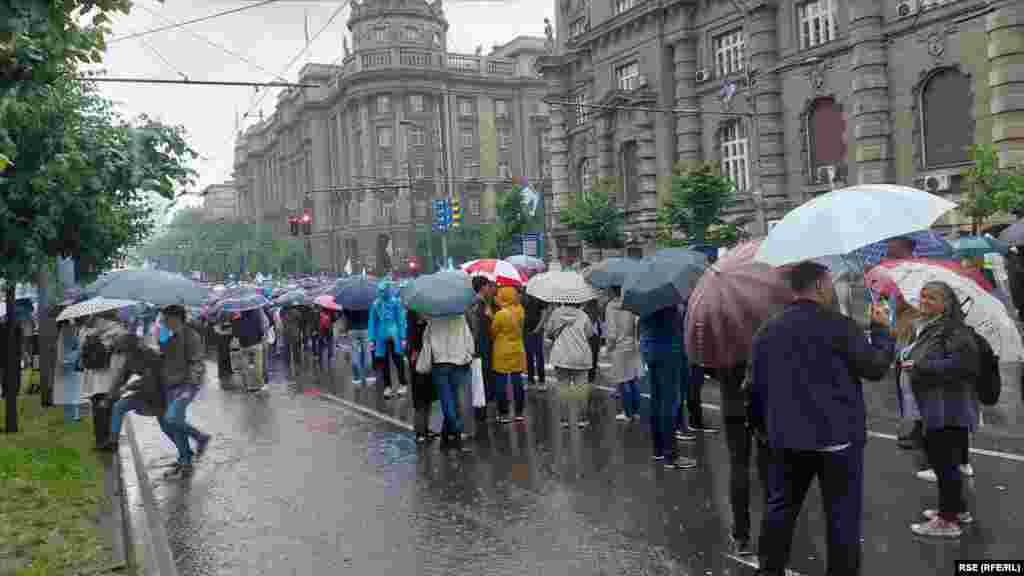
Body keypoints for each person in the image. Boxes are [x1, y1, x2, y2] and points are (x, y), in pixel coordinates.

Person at [749, 261, 894, 576]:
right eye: (828, 283)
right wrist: (882, 331)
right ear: (818, 285)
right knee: (841, 517)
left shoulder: (768, 330)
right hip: (837, 439)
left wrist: (764, 431)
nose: (830, 288)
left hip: (786, 438)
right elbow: (875, 367)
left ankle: (769, 570)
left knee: (781, 508)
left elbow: (755, 389)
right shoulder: (840, 326)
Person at [901, 281, 980, 538]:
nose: (924, 301)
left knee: (944, 463)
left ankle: (948, 521)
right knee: (946, 462)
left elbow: (964, 365)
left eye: (932, 298)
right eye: (922, 295)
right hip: (937, 405)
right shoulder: (935, 325)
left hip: (947, 408)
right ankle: (957, 509)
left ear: (947, 303)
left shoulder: (955, 330)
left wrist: (921, 366)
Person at [639, 304, 695, 470]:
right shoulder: (668, 302)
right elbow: (676, 327)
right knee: (668, 402)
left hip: (650, 349)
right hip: (668, 352)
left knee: (656, 400)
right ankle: (671, 455)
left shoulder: (643, 298)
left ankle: (658, 449)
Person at [158, 305, 210, 478]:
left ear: (176, 318)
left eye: (165, 318)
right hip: (169, 384)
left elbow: (197, 362)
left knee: (171, 418)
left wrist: (190, 387)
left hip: (185, 385)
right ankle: (185, 461)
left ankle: (200, 437)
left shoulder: (191, 336)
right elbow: (164, 356)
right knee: (173, 423)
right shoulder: (167, 334)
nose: (163, 321)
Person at [426, 311, 475, 453]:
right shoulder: (460, 316)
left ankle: (447, 438)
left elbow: (427, 339)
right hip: (457, 362)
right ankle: (456, 436)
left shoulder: (434, 316)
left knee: (448, 402)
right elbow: (468, 339)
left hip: (440, 363)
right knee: (453, 401)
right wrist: (469, 353)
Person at [544, 301, 593, 429]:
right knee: (581, 389)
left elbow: (549, 333)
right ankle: (582, 419)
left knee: (563, 389)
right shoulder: (583, 315)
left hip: (561, 357)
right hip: (580, 357)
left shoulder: (556, 314)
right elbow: (589, 334)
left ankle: (564, 420)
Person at [604, 286, 641, 422]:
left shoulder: (611, 307)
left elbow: (612, 332)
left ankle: (627, 412)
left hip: (619, 346)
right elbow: (637, 323)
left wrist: (608, 348)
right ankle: (636, 411)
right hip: (632, 344)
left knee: (623, 380)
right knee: (633, 378)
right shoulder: (631, 303)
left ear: (612, 290)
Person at [491, 286, 527, 423]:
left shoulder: (500, 314)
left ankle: (504, 413)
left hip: (501, 350)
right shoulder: (520, 310)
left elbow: (493, 332)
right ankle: (519, 412)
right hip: (517, 349)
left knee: (501, 382)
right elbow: (522, 329)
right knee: (517, 381)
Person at [368, 281, 408, 398]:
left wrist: (403, 337)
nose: (382, 292)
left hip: (394, 336)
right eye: (380, 291)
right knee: (384, 362)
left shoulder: (396, 302)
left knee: (398, 360)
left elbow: (400, 319)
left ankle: (403, 383)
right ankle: (387, 386)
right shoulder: (376, 304)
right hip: (381, 337)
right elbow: (372, 322)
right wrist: (372, 339)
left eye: (383, 290)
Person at [466, 277, 497, 427]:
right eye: (488, 286)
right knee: (481, 379)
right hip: (480, 347)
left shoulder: (482, 303)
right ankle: (481, 414)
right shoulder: (477, 304)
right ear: (482, 288)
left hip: (481, 346)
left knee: (482, 379)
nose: (490, 289)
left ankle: (482, 412)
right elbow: (475, 327)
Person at [406, 309, 437, 443]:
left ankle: (425, 428)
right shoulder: (415, 328)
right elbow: (413, 348)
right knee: (421, 400)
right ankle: (420, 431)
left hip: (426, 364)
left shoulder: (424, 325)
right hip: (420, 366)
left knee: (427, 399)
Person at [522, 290, 547, 391]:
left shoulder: (541, 296)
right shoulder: (524, 297)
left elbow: (544, 314)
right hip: (526, 330)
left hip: (537, 331)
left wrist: (538, 329)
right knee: (528, 356)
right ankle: (530, 380)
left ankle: (542, 381)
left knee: (539, 356)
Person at [342, 306, 372, 384]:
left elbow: (345, 315)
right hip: (365, 329)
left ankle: (357, 377)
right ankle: (368, 376)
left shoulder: (348, 302)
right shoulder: (367, 302)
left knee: (354, 352)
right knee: (367, 352)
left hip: (352, 329)